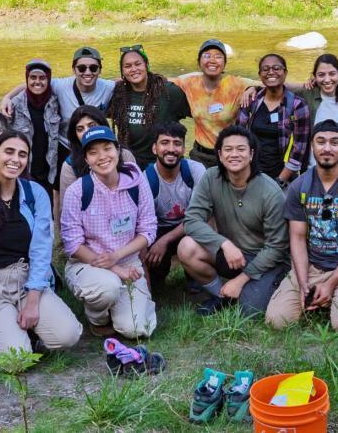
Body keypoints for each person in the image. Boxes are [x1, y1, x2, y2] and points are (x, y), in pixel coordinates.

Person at [0, 132, 82, 361]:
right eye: (9, 151)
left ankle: (24, 327)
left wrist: (32, 302)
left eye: (22, 154)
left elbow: (41, 251)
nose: (15, 159)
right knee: (16, 359)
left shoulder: (35, 194)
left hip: (27, 277)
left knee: (68, 336)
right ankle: (8, 333)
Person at [265, 120, 338, 331]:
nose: (327, 148)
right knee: (276, 321)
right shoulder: (299, 186)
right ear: (312, 147)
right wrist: (302, 283)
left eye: (334, 142)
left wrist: (332, 283)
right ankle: (320, 295)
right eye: (321, 142)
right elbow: (297, 238)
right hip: (312, 266)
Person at [179, 126, 290, 317]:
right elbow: (192, 220)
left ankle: (241, 290)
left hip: (266, 260)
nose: (234, 154)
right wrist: (224, 243)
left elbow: (277, 247)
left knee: (250, 311)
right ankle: (222, 295)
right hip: (233, 254)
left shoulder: (270, 191)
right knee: (186, 247)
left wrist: (242, 279)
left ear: (251, 154)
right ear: (220, 155)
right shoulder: (211, 177)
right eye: (228, 150)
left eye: (241, 149)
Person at [61, 126, 158, 338]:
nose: (102, 157)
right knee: (107, 287)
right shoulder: (77, 191)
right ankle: (98, 317)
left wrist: (117, 258)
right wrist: (114, 268)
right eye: (93, 152)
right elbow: (73, 244)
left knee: (136, 329)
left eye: (107, 148)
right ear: (86, 159)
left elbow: (148, 230)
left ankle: (123, 309)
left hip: (128, 261)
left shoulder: (136, 181)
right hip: (88, 263)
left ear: (118, 151)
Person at [1, 46, 116, 165]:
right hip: (65, 147)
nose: (87, 72)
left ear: (100, 70)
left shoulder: (109, 87)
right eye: (81, 68)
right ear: (74, 70)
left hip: (94, 145)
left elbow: (127, 85)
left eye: (93, 68)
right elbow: (34, 84)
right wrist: (7, 97)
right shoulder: (61, 85)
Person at [140, 122, 206, 294]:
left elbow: (198, 217)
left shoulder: (195, 171)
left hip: (189, 227)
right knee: (155, 275)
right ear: (154, 148)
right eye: (165, 143)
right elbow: (143, 226)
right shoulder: (145, 180)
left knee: (203, 231)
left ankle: (196, 276)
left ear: (184, 148)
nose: (171, 149)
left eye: (177, 143)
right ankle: (155, 278)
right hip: (157, 229)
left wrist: (166, 240)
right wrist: (154, 245)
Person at [171, 39, 259, 168]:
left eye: (218, 57)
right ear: (198, 62)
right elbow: (159, 81)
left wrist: (254, 88)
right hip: (199, 155)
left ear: (224, 64)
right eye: (206, 56)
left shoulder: (235, 84)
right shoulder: (190, 83)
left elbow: (269, 83)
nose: (212, 60)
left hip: (228, 155)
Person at [105, 44, 192, 168]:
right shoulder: (117, 95)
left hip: (165, 165)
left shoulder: (169, 92)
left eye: (138, 64)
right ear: (122, 71)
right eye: (128, 66)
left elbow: (199, 114)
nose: (133, 69)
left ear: (146, 65)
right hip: (131, 166)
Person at [235, 53, 309, 187]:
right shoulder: (251, 101)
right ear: (260, 75)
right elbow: (238, 137)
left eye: (276, 68)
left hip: (283, 177)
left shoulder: (297, 105)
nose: (271, 72)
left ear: (285, 73)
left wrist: (279, 181)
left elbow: (299, 149)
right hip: (251, 175)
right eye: (265, 69)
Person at [56, 106, 138, 217]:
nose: (87, 132)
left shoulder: (125, 155)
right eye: (80, 129)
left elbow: (139, 197)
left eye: (92, 126)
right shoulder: (70, 166)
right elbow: (67, 213)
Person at [8, 59, 63, 202]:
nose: (37, 82)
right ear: (27, 79)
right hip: (23, 171)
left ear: (48, 79)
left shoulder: (56, 101)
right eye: (33, 78)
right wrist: (6, 98)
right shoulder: (13, 104)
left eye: (42, 78)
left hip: (50, 172)